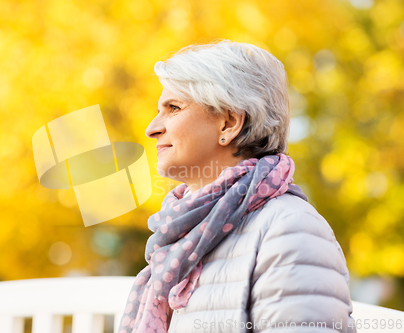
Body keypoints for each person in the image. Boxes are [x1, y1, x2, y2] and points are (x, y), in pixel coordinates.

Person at [119, 40, 355, 333]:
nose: (152, 128)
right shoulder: (184, 234)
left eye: (173, 108)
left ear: (228, 124)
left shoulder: (290, 229)